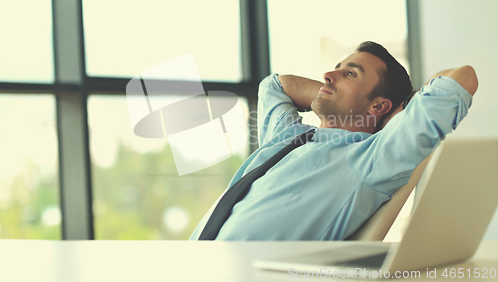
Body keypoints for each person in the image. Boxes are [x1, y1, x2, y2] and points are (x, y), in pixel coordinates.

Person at [189, 41, 478, 241]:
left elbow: (461, 79)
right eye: (337, 68)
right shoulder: (288, 135)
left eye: (349, 74)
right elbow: (275, 85)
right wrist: (340, 99)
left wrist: (389, 120)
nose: (328, 75)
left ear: (379, 106)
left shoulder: (371, 159)